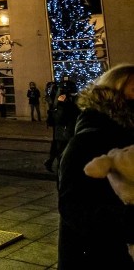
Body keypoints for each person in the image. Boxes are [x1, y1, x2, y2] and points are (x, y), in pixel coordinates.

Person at [57, 63, 134, 269]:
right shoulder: (89, 139)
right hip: (96, 257)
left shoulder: (126, 132)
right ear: (115, 91)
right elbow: (74, 208)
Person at [45, 77, 80, 172]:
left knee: (59, 146)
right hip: (63, 127)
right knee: (61, 148)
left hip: (64, 127)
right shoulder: (61, 98)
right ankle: (59, 167)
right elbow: (60, 113)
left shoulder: (68, 98)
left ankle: (52, 162)